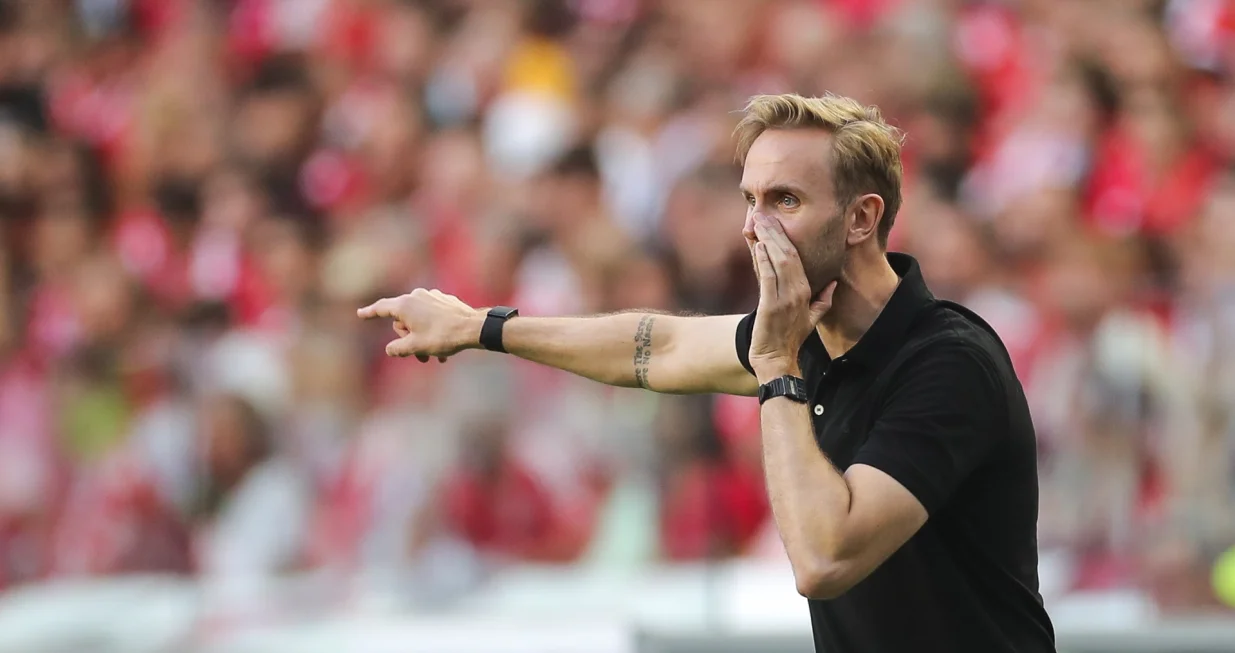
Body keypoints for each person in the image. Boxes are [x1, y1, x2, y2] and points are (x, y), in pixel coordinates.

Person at [358, 93, 1057, 653]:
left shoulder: (946, 362)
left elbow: (823, 557)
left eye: (783, 199)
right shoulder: (811, 333)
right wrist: (480, 326)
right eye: (749, 199)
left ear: (861, 217)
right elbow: (655, 346)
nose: (753, 227)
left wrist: (777, 368)